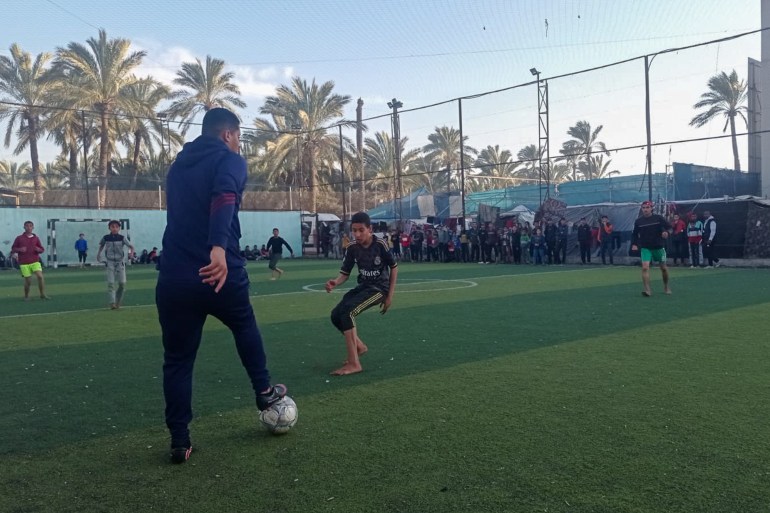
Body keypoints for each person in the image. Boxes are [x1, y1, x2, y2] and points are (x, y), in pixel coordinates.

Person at [156, 108, 286, 464]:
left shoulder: (178, 166)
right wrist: (217, 248)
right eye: (239, 137)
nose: (239, 144)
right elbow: (224, 196)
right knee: (244, 323)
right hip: (218, 271)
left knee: (178, 360)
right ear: (228, 134)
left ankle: (179, 440)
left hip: (175, 276)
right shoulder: (230, 160)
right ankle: (264, 391)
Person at [325, 211, 398, 376]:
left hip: (379, 289)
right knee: (336, 315)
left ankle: (354, 363)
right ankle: (359, 347)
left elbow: (394, 268)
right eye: (354, 230)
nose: (357, 234)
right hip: (364, 286)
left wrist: (389, 296)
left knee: (348, 312)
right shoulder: (352, 248)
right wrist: (335, 282)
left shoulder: (380, 245)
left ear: (369, 229)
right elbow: (345, 273)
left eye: (361, 230)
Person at [631, 200, 672, 297]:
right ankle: (647, 290)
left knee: (664, 269)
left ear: (651, 208)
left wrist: (667, 233)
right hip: (645, 248)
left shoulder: (658, 218)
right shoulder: (638, 221)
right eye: (643, 208)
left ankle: (666, 286)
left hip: (658, 247)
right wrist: (634, 244)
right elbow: (634, 234)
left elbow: (670, 227)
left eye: (647, 207)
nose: (645, 209)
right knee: (645, 268)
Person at [96, 220, 135, 310]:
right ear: (109, 228)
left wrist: (131, 254)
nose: (114, 228)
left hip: (120, 262)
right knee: (110, 283)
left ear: (119, 228)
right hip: (110, 262)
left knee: (122, 283)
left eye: (116, 227)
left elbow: (131, 246)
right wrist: (98, 254)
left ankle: (118, 301)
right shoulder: (106, 238)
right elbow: (101, 245)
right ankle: (112, 303)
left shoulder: (122, 238)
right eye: (112, 227)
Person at [11, 221, 49, 300]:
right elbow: (13, 249)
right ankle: (26, 296)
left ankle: (42, 294)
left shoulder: (36, 238)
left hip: (35, 261)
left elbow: (42, 249)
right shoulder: (19, 238)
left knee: (40, 277)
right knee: (28, 281)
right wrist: (19, 249)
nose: (29, 227)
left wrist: (39, 249)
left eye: (30, 226)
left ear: (33, 228)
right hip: (24, 262)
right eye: (27, 226)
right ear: (24, 227)